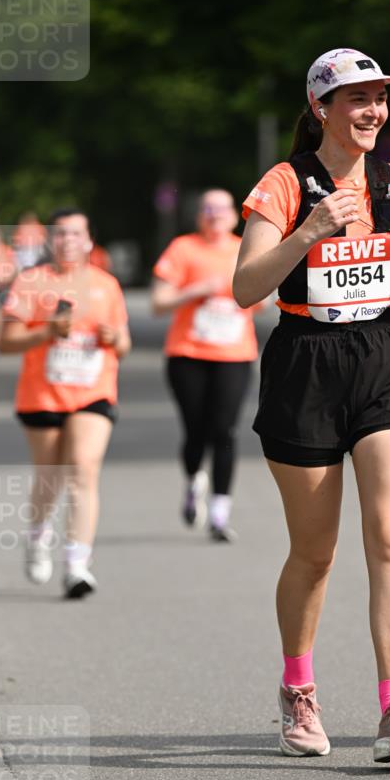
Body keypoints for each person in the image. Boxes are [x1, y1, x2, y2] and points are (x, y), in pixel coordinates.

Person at [233, 48, 390, 762]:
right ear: (320, 107)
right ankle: (298, 691)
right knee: (315, 553)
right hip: (306, 363)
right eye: (356, 98)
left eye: (379, 98)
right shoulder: (283, 184)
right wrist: (309, 231)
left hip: (385, 355)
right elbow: (244, 288)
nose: (372, 111)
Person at [0, 208, 131, 598]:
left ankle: (77, 564)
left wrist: (112, 339)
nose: (67, 241)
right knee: (50, 476)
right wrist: (45, 333)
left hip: (93, 392)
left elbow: (123, 345)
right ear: (49, 241)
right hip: (42, 393)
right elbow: (6, 342)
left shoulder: (106, 285)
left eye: (76, 234)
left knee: (83, 470)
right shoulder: (30, 282)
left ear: (89, 241)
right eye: (60, 234)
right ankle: (38, 536)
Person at [152, 189, 260, 541]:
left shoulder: (246, 247)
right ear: (199, 215)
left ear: (234, 214)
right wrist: (198, 289)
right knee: (196, 430)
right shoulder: (184, 248)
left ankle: (219, 513)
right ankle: (193, 479)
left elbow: (263, 296)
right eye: (207, 208)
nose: (214, 214)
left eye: (221, 208)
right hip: (188, 354)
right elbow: (158, 302)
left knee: (225, 431)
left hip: (234, 355)